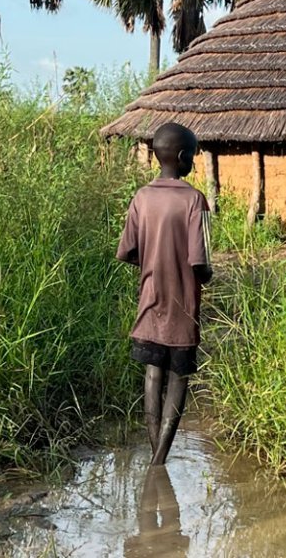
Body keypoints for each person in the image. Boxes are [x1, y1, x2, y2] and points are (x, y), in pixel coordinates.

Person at [115, 122, 212, 464]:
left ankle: (155, 453)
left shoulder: (141, 197)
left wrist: (153, 260)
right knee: (180, 377)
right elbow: (200, 260)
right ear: (183, 157)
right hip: (182, 306)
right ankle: (160, 460)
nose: (195, 164)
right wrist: (208, 276)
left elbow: (127, 252)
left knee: (152, 373)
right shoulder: (194, 200)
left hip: (150, 302)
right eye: (194, 157)